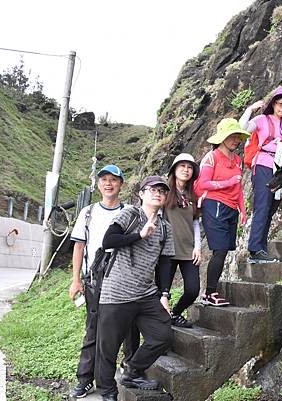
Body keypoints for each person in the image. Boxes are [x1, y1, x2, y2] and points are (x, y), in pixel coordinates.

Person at [95, 175, 175, 401]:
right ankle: (108, 392)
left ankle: (132, 371)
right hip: (117, 292)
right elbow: (108, 241)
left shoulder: (165, 228)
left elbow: (165, 263)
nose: (158, 193)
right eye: (152, 189)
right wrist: (138, 235)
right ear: (141, 194)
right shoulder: (130, 214)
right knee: (108, 348)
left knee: (162, 335)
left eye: (162, 190)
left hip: (146, 293)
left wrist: (164, 294)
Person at [68, 165, 139, 398]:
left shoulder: (130, 212)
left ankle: (130, 371)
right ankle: (85, 378)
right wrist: (75, 280)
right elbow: (79, 246)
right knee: (93, 330)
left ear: (121, 184)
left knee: (129, 328)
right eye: (104, 180)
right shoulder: (88, 212)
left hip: (123, 279)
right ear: (98, 185)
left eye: (114, 180)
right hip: (94, 279)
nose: (108, 184)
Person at [239, 87, 282, 263]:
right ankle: (255, 249)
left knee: (272, 207)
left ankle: (261, 249)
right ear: (274, 104)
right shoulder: (261, 120)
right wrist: (250, 110)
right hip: (263, 165)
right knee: (263, 205)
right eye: (280, 104)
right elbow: (241, 128)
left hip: (281, 170)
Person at [195, 118, 249, 306]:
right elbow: (203, 183)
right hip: (214, 205)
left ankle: (210, 293)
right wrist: (228, 182)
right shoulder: (211, 158)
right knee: (220, 249)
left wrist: (243, 210)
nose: (236, 140)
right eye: (232, 136)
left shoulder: (238, 160)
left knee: (225, 250)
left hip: (232, 208)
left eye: (238, 137)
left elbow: (239, 187)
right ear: (222, 137)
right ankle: (209, 293)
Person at [162, 153, 201, 327]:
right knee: (162, 292)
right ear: (174, 170)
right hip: (167, 251)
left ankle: (175, 314)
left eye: (189, 167)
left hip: (188, 250)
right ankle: (162, 324)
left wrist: (198, 247)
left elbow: (195, 223)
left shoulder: (193, 195)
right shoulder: (164, 192)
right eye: (182, 166)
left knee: (193, 290)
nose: (186, 170)